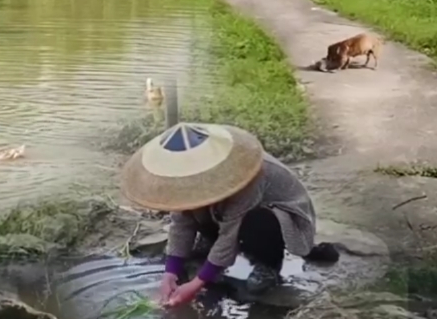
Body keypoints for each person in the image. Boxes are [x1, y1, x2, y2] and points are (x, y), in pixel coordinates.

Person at [120, 122, 339, 304]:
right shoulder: (195, 179)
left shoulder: (245, 176)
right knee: (195, 206)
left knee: (256, 221)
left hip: (281, 217)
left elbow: (229, 236)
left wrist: (197, 284)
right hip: (231, 215)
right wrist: (171, 272)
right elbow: (181, 222)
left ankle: (269, 265)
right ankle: (209, 249)